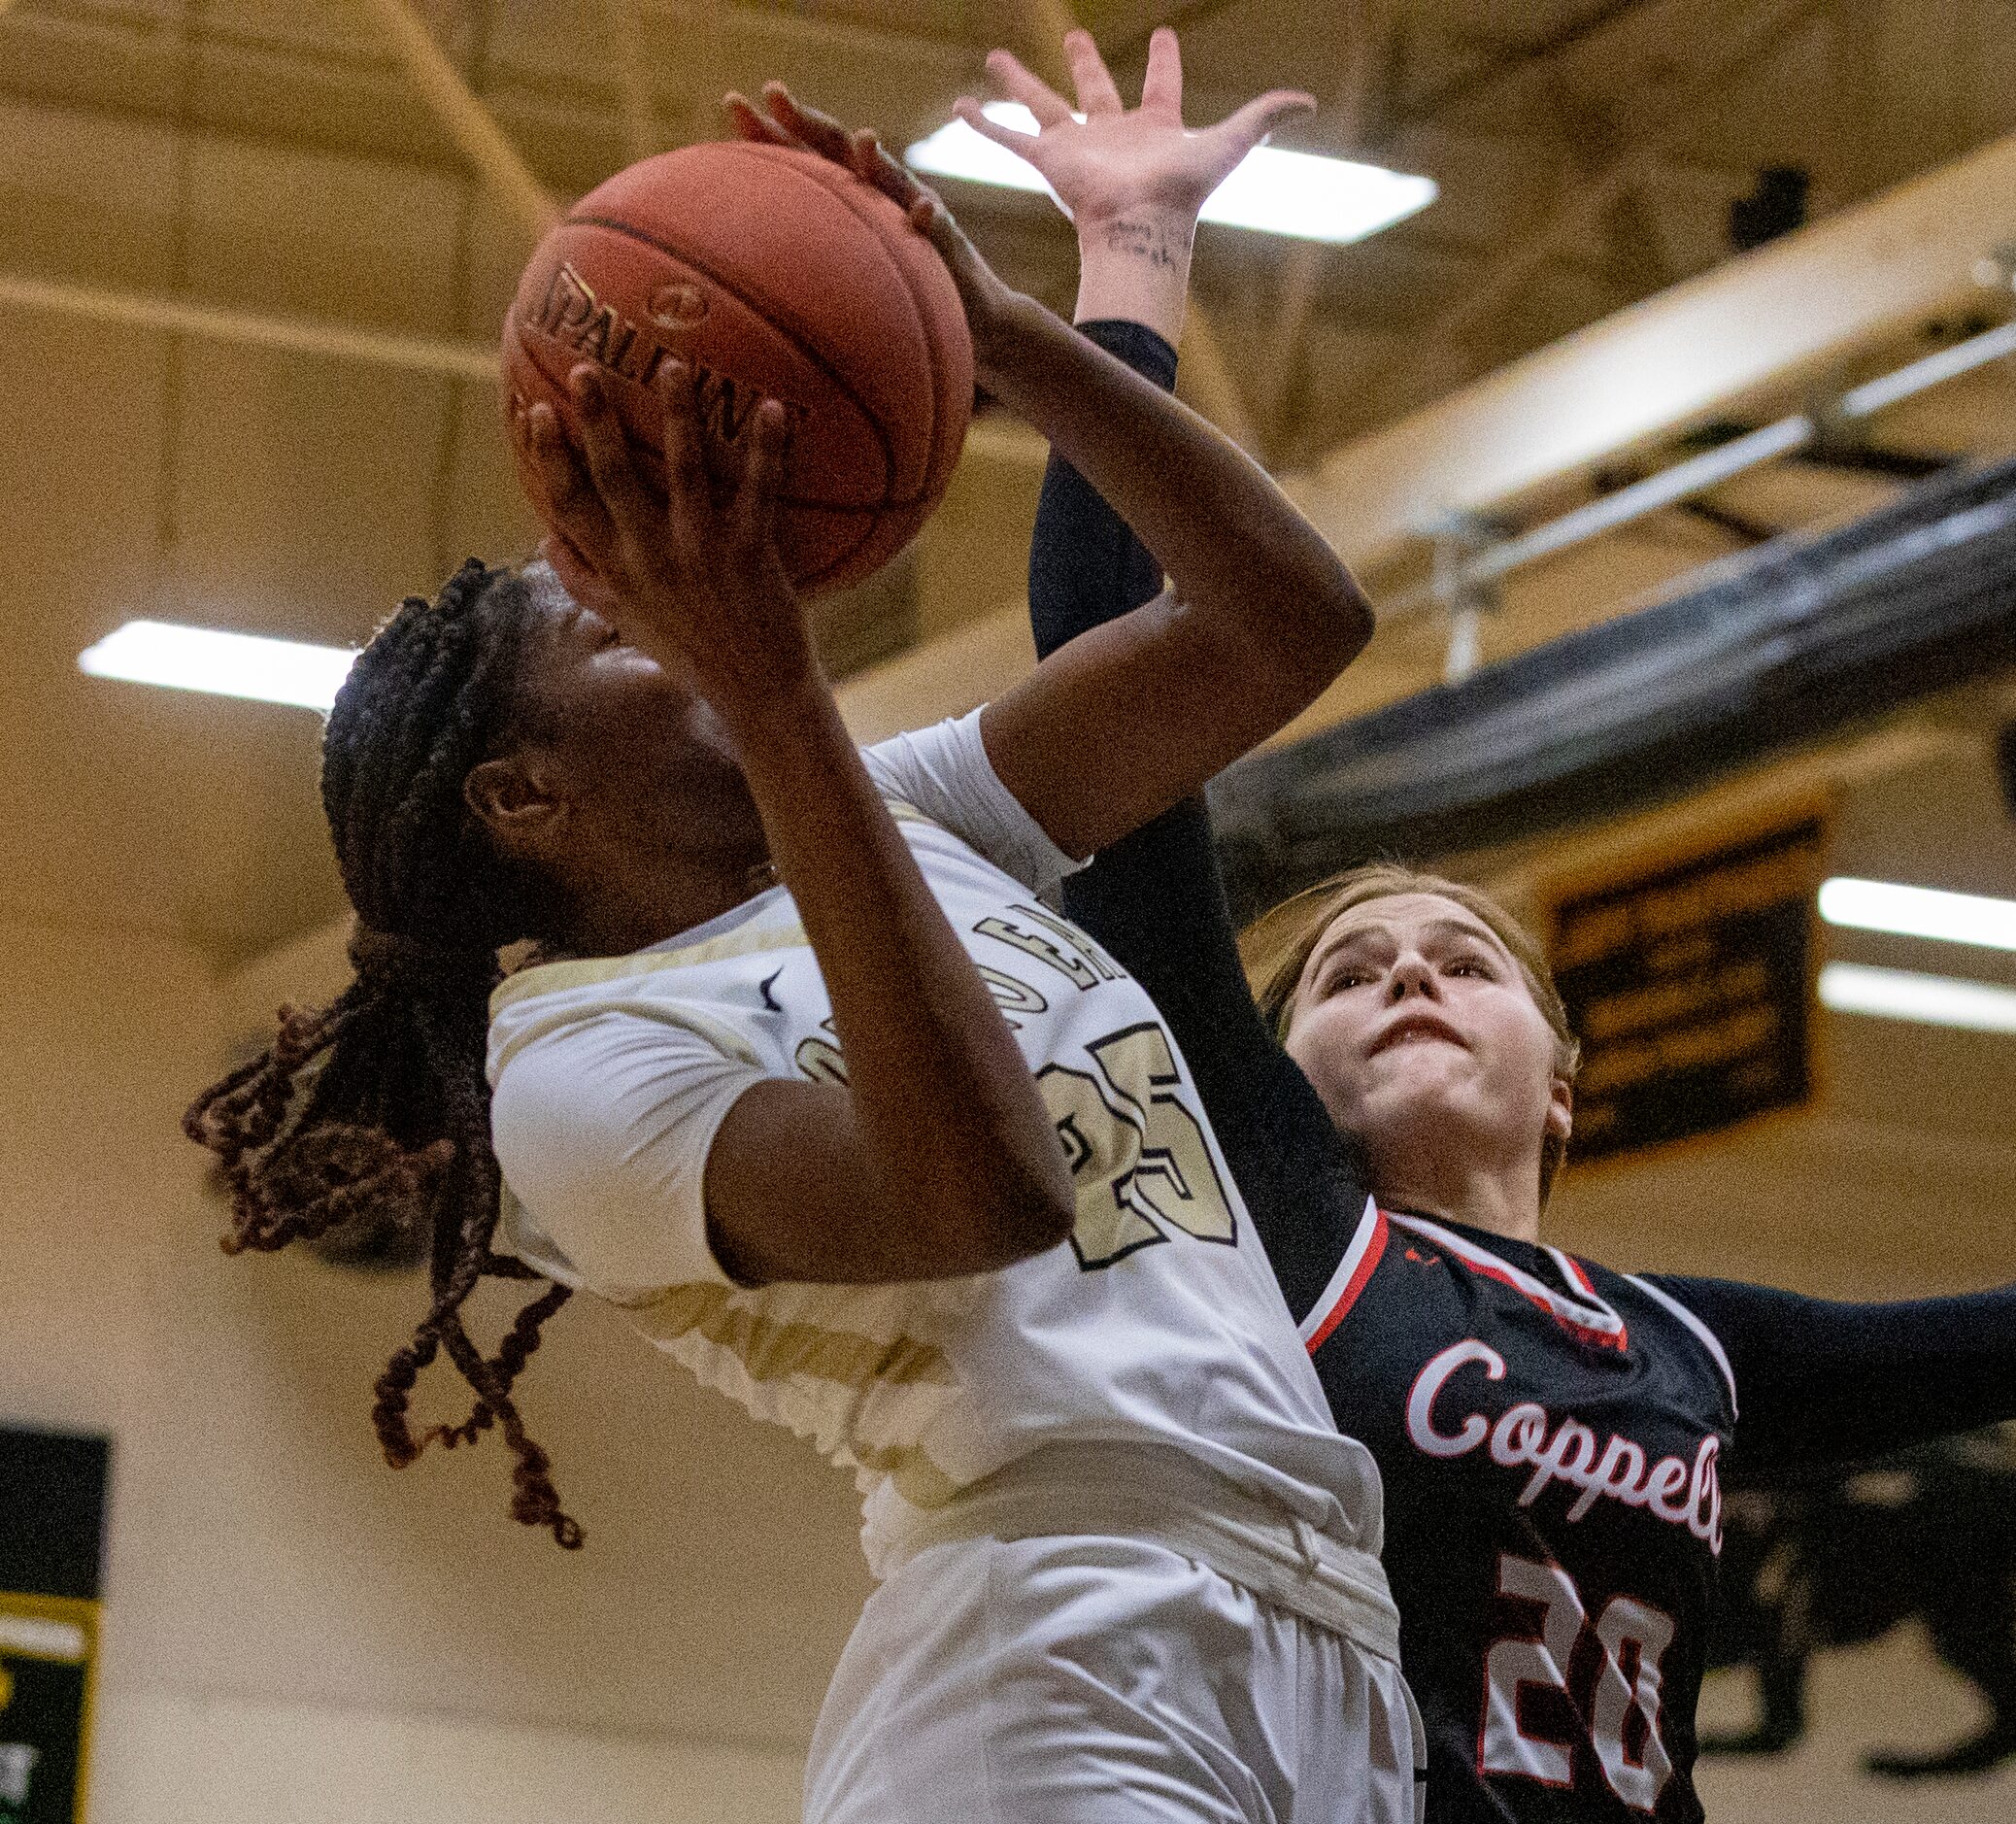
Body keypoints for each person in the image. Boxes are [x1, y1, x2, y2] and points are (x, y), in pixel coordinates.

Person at [186, 68, 1425, 1824]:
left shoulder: (893, 809)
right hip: (1056, 1636)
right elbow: (983, 1192)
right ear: (522, 796)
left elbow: (1289, 620)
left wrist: (1008, 343)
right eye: (614, 628)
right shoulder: (578, 1079)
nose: (680, 602)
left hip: (1320, 1615)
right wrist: (774, 688)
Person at [1000, 32, 2016, 1823]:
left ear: (1565, 1079)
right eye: (1343, 967)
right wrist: (1130, 269)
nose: (1405, 966)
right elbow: (1104, 690)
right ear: (1274, 1065)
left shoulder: (1694, 1352)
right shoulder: (1281, 1232)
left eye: (1469, 960)